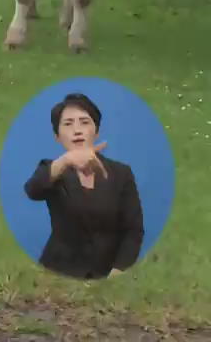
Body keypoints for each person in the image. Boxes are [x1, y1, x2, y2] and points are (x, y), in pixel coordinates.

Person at [23, 92, 145, 280]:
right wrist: (67, 160)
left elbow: (133, 230)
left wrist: (118, 272)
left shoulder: (121, 173)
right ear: (57, 136)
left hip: (105, 275)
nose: (77, 130)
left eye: (84, 122)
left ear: (96, 131)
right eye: (68, 124)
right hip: (57, 274)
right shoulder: (52, 169)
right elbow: (33, 190)